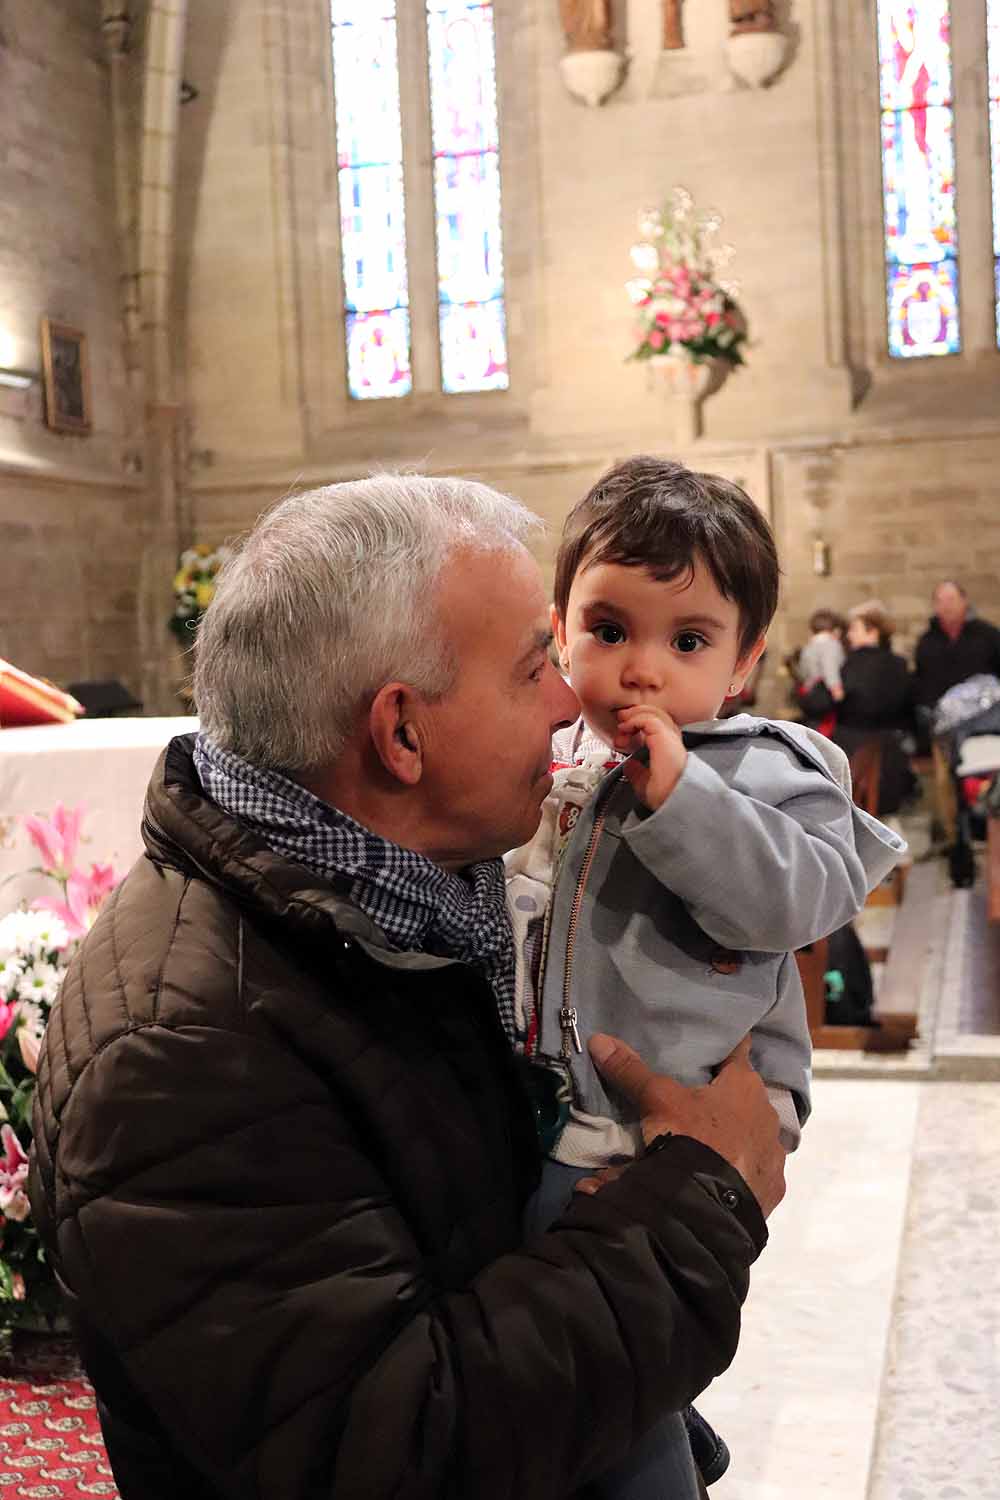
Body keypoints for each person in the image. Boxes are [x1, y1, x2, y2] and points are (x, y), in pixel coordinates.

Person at [28, 474, 787, 1500]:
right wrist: (698, 1197)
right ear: (401, 734)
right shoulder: (182, 1054)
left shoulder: (412, 891)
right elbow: (397, 1445)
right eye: (533, 668)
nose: (576, 699)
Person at [505, 458, 905, 1498]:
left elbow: (803, 899)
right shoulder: (560, 764)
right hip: (566, 1104)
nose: (642, 668)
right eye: (609, 629)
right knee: (595, 1351)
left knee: (594, 1359)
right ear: (559, 630)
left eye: (685, 642)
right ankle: (668, 1436)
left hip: (676, 1121)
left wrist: (685, 798)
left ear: (743, 662)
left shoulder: (767, 767)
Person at [913, 581, 1000, 839]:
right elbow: (921, 681)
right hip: (945, 728)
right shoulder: (928, 641)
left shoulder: (987, 635)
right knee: (946, 784)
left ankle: (990, 835)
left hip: (985, 726)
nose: (947, 606)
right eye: (940, 600)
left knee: (989, 781)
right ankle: (956, 841)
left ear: (964, 601)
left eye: (952, 599)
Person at [833, 601, 915, 817]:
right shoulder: (899, 664)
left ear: (872, 631)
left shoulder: (851, 664)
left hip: (853, 754)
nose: (849, 636)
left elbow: (826, 702)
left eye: (854, 629)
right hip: (890, 757)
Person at [798, 607, 847, 706]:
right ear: (836, 629)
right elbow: (830, 666)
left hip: (808, 691)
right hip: (824, 694)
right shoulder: (831, 644)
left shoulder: (809, 646)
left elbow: (803, 671)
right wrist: (836, 690)